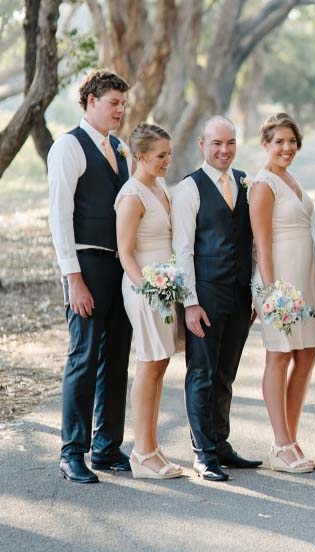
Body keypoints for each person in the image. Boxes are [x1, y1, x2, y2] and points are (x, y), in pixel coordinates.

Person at [48, 69, 134, 483]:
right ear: (91, 102)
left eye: (122, 104)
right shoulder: (69, 146)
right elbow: (60, 217)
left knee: (116, 358)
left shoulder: (120, 148)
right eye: (113, 103)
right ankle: (72, 451)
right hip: (86, 266)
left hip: (120, 269)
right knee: (84, 358)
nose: (119, 110)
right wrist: (73, 278)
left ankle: (106, 446)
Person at [172, 116, 260, 482]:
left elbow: (254, 244)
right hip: (205, 294)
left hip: (239, 295)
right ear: (202, 145)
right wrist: (189, 302)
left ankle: (221, 444)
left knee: (226, 375)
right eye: (217, 144)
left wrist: (255, 293)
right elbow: (182, 249)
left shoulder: (246, 182)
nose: (224, 150)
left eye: (230, 143)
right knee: (202, 374)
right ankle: (203, 453)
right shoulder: (189, 189)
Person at [249, 113, 315, 474]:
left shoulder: (290, 178)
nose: (286, 148)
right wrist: (272, 292)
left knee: (306, 357)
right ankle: (280, 444)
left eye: (291, 141)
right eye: (278, 141)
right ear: (265, 144)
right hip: (279, 283)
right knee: (279, 356)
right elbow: (261, 244)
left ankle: (291, 440)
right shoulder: (263, 184)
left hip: (306, 281)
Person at [115, 123, 184, 479]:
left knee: (160, 367)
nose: (167, 161)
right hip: (144, 288)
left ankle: (152, 447)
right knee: (148, 364)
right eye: (161, 155)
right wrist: (147, 289)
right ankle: (141, 452)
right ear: (139, 156)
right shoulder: (132, 196)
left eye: (169, 154)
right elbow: (125, 253)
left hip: (166, 286)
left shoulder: (160, 187)